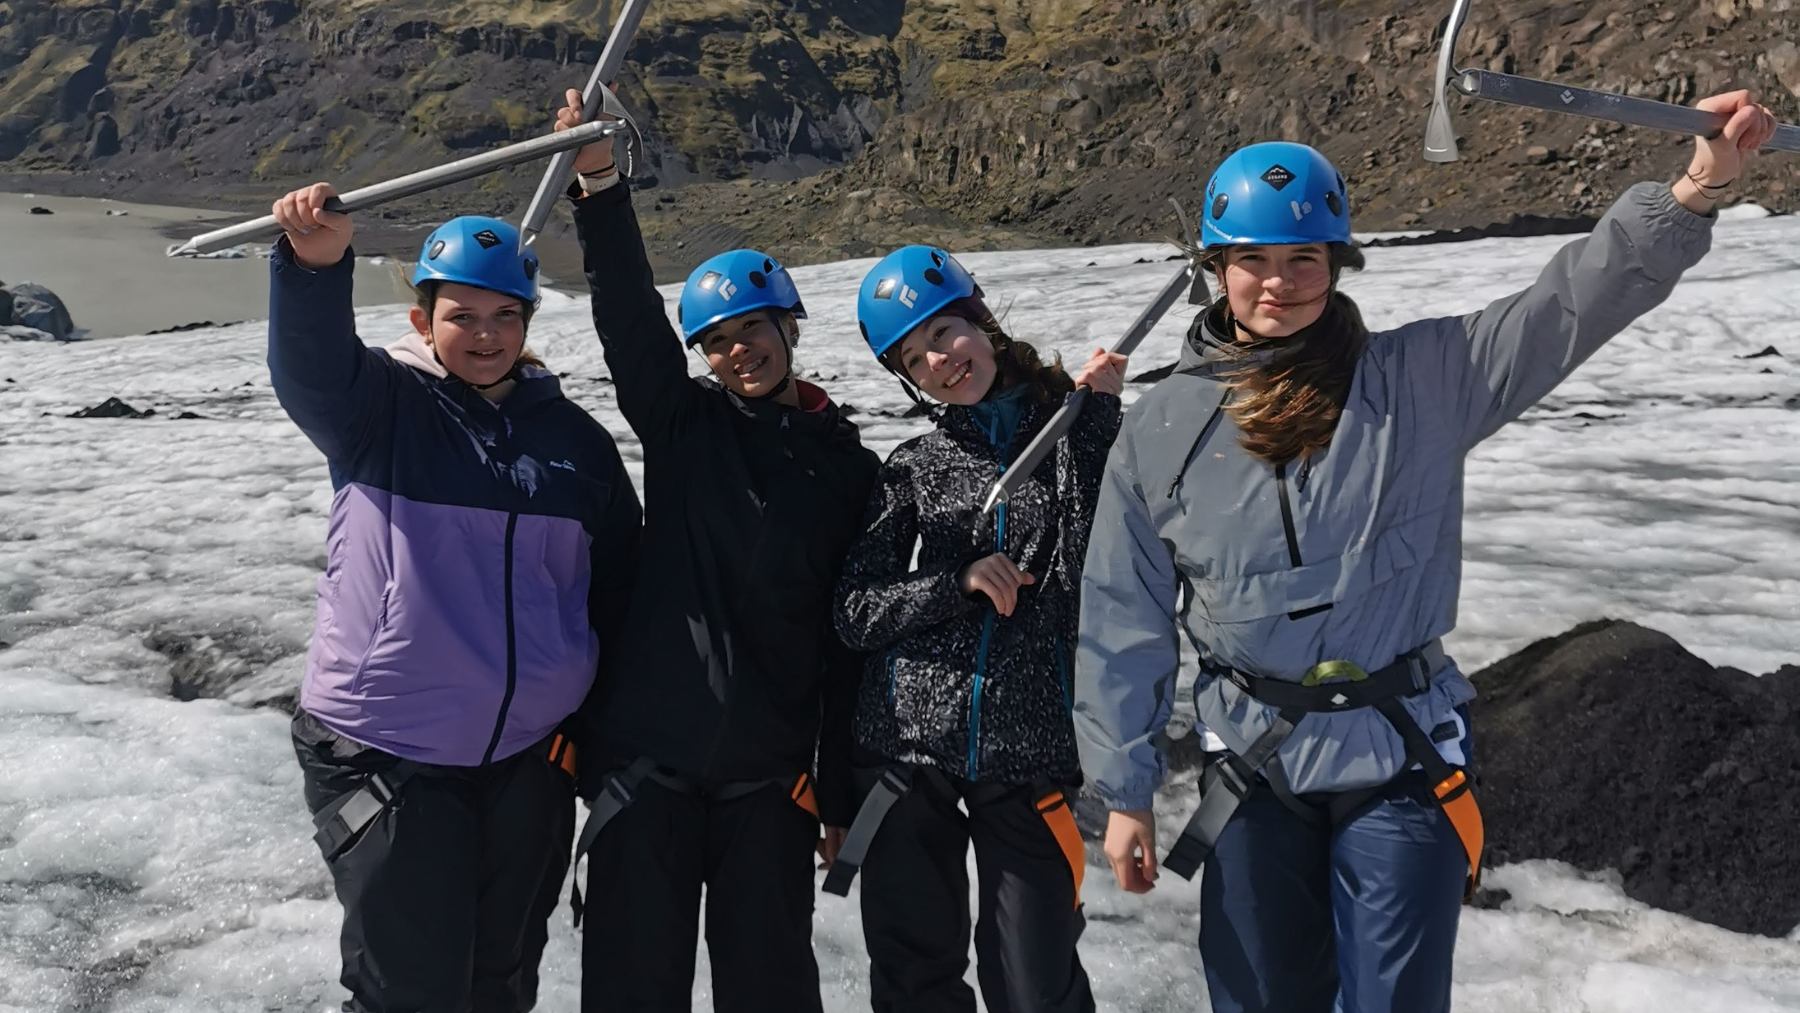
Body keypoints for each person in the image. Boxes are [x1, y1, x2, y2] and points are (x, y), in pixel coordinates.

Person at [1074, 89, 1779, 1013]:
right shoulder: (1159, 429)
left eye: (1304, 257)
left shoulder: (1422, 379)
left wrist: (1693, 189)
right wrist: (1123, 789)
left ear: (1337, 262)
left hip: (1398, 758)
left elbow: (1565, 307)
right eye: (1252, 259)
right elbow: (1122, 617)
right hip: (1253, 767)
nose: (1278, 281)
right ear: (1216, 267)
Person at [268, 184, 643, 1012]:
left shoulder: (574, 442)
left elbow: (613, 594)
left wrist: (593, 741)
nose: (485, 335)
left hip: (528, 759)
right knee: (409, 990)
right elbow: (309, 365)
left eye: (504, 316)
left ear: (528, 321)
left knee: (501, 980)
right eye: (461, 315)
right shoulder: (380, 409)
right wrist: (315, 263)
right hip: (390, 749)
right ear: (421, 322)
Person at [551, 90, 881, 1012]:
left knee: (771, 992)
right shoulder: (682, 425)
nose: (741, 352)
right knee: (630, 989)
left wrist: (839, 792)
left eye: (756, 329)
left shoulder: (849, 472)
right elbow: (629, 322)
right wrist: (600, 189)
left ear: (789, 327)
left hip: (768, 786)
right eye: (721, 341)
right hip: (645, 771)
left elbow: (847, 642)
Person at [830, 245, 1128, 1013]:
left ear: (982, 320)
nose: (938, 360)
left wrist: (1093, 426)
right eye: (914, 355)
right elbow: (855, 610)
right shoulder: (915, 465)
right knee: (914, 977)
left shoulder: (1070, 438)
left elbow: (1089, 574)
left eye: (944, 332)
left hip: (1027, 757)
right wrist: (952, 583)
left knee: (1036, 985)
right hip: (906, 755)